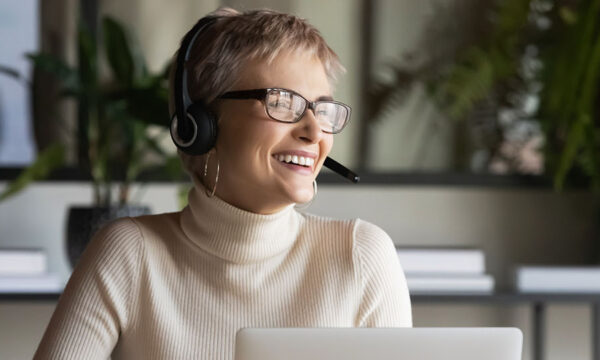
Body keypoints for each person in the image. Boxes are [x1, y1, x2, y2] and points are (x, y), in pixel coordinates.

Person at [34, 7, 412, 360]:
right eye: (282, 102)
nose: (315, 131)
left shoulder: (360, 256)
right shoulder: (130, 253)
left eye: (322, 108)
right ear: (200, 125)